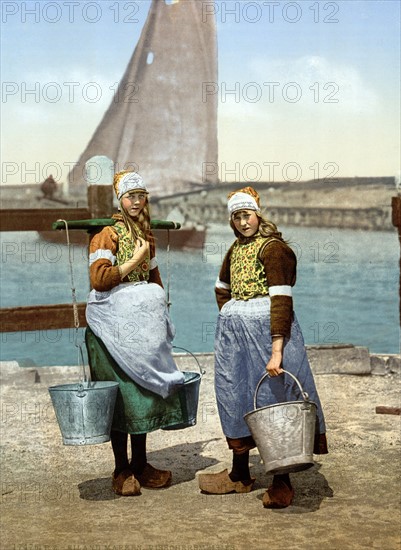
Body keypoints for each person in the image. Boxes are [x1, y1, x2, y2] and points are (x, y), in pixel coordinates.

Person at [198, 186, 328, 508]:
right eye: (237, 217)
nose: (243, 223)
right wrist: (233, 318)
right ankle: (240, 474)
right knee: (235, 396)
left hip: (271, 335)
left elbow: (281, 301)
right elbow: (221, 288)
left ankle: (282, 479)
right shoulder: (234, 250)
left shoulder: (273, 249)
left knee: (276, 399)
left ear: (259, 214)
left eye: (247, 215)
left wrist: (277, 349)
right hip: (236, 340)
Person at [85, 170, 185, 496]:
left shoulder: (147, 235)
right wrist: (134, 261)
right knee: (121, 396)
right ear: (120, 199)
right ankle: (121, 468)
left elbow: (153, 278)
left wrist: (161, 318)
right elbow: (99, 279)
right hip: (110, 327)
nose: (136, 202)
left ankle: (141, 463)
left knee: (142, 393)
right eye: (131, 196)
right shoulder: (106, 236)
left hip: (139, 326)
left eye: (141, 196)